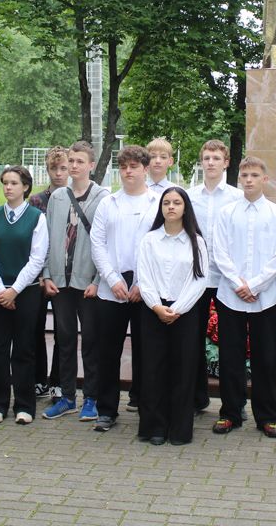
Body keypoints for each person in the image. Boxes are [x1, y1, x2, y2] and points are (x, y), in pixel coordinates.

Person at [211, 156, 276, 439]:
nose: (248, 180)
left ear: (264, 179)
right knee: (230, 357)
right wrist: (238, 283)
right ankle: (230, 413)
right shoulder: (227, 213)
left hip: (265, 298)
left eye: (254, 175)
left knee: (265, 359)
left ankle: (267, 416)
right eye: (244, 175)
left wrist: (254, 285)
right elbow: (219, 251)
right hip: (230, 296)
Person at [88, 145, 158, 432]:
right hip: (112, 288)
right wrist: (112, 278)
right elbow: (97, 243)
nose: (128, 171)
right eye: (124, 167)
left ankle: (145, 406)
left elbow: (160, 244)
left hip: (146, 289)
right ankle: (106, 410)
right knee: (108, 352)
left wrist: (142, 283)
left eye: (134, 166)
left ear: (145, 169)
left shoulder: (158, 202)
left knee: (146, 351)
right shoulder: (108, 203)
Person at [40, 141, 110, 421]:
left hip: (89, 284)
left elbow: (107, 242)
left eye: (80, 161)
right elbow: (46, 238)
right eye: (71, 161)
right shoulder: (57, 197)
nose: (74, 166)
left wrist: (98, 279)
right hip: (60, 283)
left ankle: (91, 398)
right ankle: (67, 397)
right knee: (65, 340)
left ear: (91, 165)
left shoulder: (103, 197)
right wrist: (46, 275)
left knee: (91, 341)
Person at [135, 187, 209, 445]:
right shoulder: (150, 240)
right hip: (153, 311)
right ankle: (154, 427)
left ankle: (179, 429)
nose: (171, 207)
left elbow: (200, 280)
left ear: (185, 208)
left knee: (183, 370)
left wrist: (178, 308)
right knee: (153, 369)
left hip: (184, 312)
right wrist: (157, 306)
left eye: (177, 202)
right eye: (166, 202)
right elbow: (144, 277)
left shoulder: (196, 242)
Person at [0, 166, 49, 424]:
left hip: (26, 292)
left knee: (24, 349)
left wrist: (14, 290)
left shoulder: (36, 218)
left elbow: (37, 258)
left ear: (25, 187)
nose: (8, 187)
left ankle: (24, 406)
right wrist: (0, 290)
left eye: (14, 183)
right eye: (5, 183)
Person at [185, 139, 243, 412]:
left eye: (216, 158)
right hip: (195, 279)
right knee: (192, 341)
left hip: (226, 280)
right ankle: (197, 399)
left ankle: (234, 404)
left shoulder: (237, 198)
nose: (210, 163)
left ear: (226, 163)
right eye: (207, 158)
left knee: (232, 344)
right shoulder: (189, 196)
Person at [29, 146, 68, 402]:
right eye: (54, 168)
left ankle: (58, 381)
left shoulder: (74, 198)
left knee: (64, 331)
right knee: (35, 328)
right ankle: (39, 379)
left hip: (65, 274)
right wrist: (41, 273)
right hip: (39, 273)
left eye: (63, 168)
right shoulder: (36, 201)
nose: (59, 173)